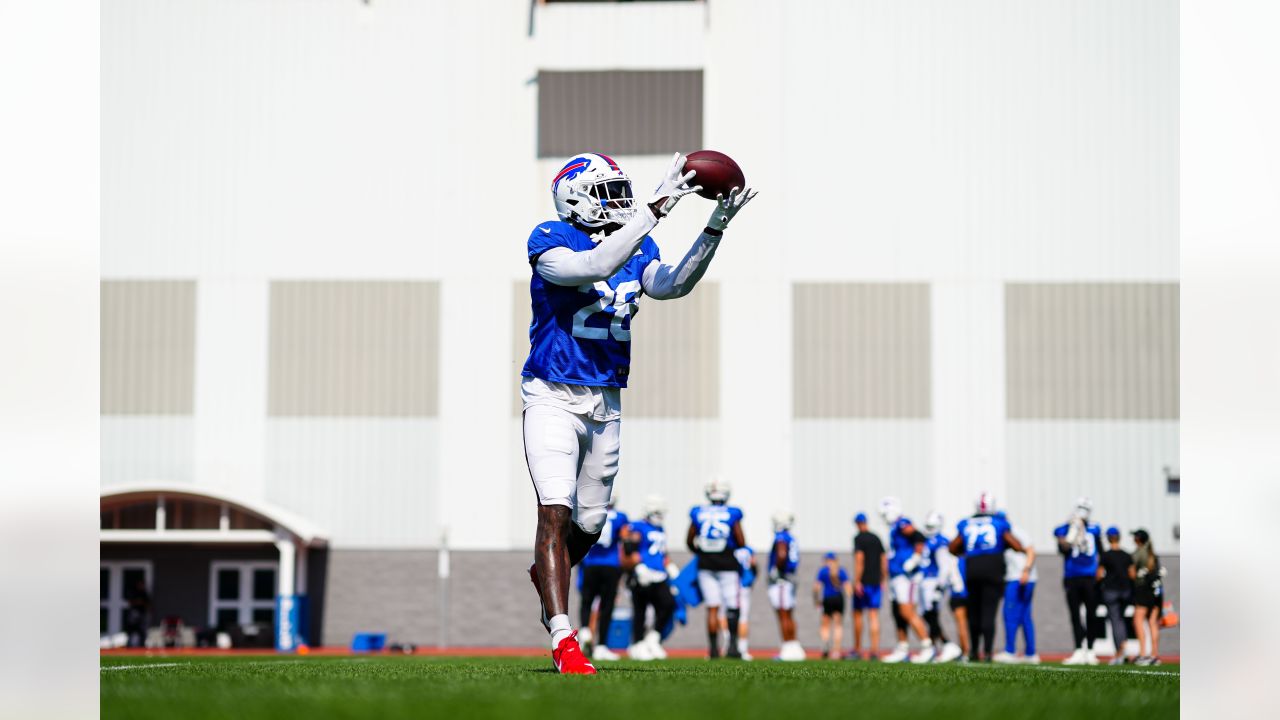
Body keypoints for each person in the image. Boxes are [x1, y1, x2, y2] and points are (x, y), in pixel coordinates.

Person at [521, 152, 756, 674]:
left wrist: (715, 226)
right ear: (575, 199)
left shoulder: (638, 242)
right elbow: (593, 266)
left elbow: (673, 283)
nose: (619, 202)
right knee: (554, 511)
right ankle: (563, 638)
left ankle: (547, 572)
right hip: (552, 393)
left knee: (590, 523)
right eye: (606, 192)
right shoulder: (550, 238)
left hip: (606, 400)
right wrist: (658, 206)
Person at [949, 492, 1026, 662]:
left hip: (973, 569)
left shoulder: (966, 523)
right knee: (989, 613)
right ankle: (988, 651)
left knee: (974, 613)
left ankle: (974, 651)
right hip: (993, 569)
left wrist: (967, 551)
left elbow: (953, 547)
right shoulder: (999, 522)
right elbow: (1016, 545)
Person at [687, 478, 747, 659]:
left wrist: (702, 552)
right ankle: (733, 647)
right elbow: (741, 541)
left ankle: (713, 650)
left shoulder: (698, 512)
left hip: (705, 564)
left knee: (712, 607)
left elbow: (689, 540)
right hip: (727, 563)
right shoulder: (732, 512)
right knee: (732, 606)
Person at [879, 497, 935, 663]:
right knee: (897, 613)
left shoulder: (902, 523)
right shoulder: (893, 528)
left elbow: (918, 536)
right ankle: (902, 648)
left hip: (906, 577)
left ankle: (927, 646)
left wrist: (915, 558)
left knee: (906, 611)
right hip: (896, 576)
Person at [577, 495, 629, 661]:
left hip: (591, 564)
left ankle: (585, 629)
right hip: (611, 565)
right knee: (606, 606)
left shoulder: (588, 513)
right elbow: (625, 539)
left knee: (587, 601)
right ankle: (601, 645)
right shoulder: (620, 517)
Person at [623, 496, 676, 661]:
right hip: (642, 574)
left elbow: (662, 552)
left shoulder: (661, 529)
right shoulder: (639, 526)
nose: (659, 515)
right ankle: (637, 644)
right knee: (641, 611)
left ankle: (653, 638)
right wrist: (638, 566)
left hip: (659, 575)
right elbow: (628, 545)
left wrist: (670, 567)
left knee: (669, 605)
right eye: (656, 512)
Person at [1053, 497, 1104, 665]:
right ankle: (1078, 649)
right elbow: (1062, 548)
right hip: (1072, 576)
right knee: (1075, 615)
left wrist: (1100, 569)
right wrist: (1072, 533)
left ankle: (1090, 649)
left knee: (1091, 614)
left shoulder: (1095, 528)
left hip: (1089, 576)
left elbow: (1100, 551)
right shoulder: (1065, 528)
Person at [916, 512, 963, 663]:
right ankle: (935, 647)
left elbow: (944, 566)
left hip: (933, 581)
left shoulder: (941, 542)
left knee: (931, 615)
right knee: (927, 615)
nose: (929, 529)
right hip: (926, 581)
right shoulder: (929, 541)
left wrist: (939, 587)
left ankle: (947, 645)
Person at [993, 513, 1038, 664]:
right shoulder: (1005, 534)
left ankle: (1010, 650)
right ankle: (1031, 653)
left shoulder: (1015, 531)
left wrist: (1026, 570)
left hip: (1019, 578)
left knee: (1010, 614)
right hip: (1020, 577)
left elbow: (1031, 550)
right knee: (1025, 616)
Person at [767, 511, 805, 661]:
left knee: (783, 614)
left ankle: (788, 648)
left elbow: (782, 554)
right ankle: (794, 646)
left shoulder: (781, 537)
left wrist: (776, 569)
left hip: (781, 581)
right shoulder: (792, 538)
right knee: (788, 614)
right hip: (789, 579)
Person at [850, 512, 887, 661]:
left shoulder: (859, 538)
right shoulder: (876, 538)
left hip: (864, 582)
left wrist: (857, 580)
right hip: (876, 582)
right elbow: (884, 560)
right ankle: (874, 650)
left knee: (858, 615)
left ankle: (858, 650)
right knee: (874, 616)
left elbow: (860, 560)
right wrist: (883, 579)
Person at [1097, 526, 1135, 665]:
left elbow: (1099, 574)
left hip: (1111, 591)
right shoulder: (1126, 555)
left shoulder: (1106, 555)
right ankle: (1122, 648)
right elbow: (1132, 574)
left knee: (1115, 621)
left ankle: (1120, 651)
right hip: (1125, 591)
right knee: (1121, 620)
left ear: (1108, 538)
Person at [1130, 529, 1165, 666]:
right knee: (1152, 622)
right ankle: (1155, 655)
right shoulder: (1153, 553)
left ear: (1138, 539)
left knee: (1138, 620)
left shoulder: (1139, 553)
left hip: (1143, 590)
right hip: (1156, 590)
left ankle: (1143, 654)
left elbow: (1132, 573)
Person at [814, 552, 851, 660]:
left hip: (827, 598)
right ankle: (836, 650)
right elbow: (848, 589)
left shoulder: (823, 571)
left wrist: (816, 600)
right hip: (839, 598)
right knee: (838, 625)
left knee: (825, 624)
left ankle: (825, 644)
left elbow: (816, 588)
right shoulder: (841, 571)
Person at [728, 545, 758, 660]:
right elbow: (754, 565)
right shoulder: (748, 550)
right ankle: (742, 649)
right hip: (743, 586)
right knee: (743, 618)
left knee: (727, 615)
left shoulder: (729, 547)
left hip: (729, 584)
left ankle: (729, 645)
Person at [944, 554, 971, 661]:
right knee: (968, 624)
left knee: (961, 624)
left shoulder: (953, 559)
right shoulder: (969, 558)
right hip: (970, 594)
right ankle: (970, 651)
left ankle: (965, 652)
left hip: (959, 594)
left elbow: (950, 576)